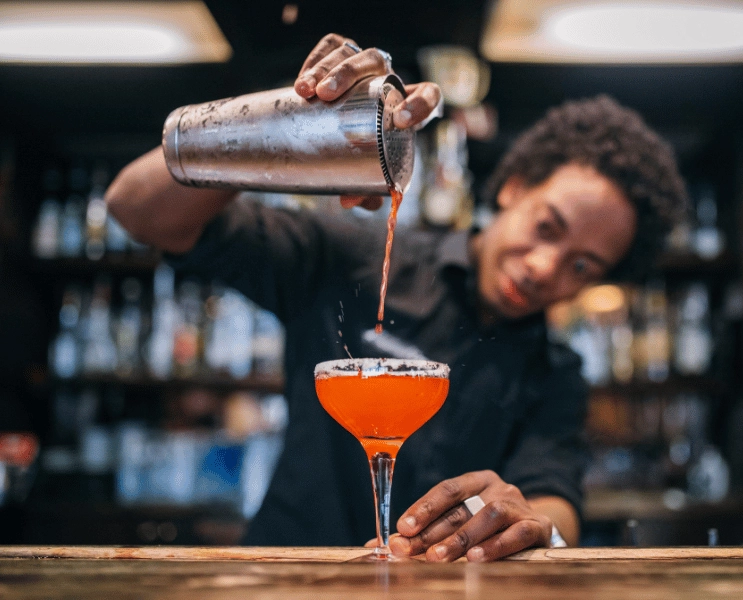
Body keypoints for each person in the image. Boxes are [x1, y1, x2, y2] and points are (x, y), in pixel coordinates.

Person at [106, 33, 687, 562]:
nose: (543, 268)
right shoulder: (348, 255)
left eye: (582, 265)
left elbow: (554, 502)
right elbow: (137, 210)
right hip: (286, 578)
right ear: (514, 188)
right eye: (547, 227)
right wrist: (285, 121)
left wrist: (531, 521)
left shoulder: (554, 372)